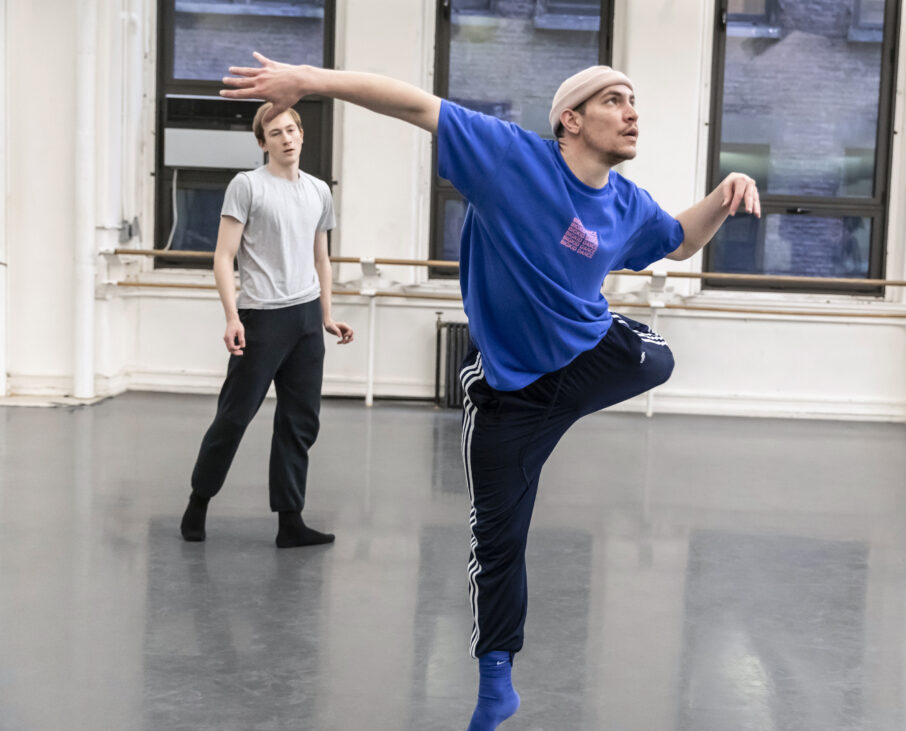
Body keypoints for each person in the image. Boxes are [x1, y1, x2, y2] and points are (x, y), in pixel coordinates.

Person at [221, 53, 759, 729]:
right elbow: (416, 103)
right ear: (571, 119)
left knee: (656, 358)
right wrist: (311, 81)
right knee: (496, 543)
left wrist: (724, 192)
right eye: (614, 100)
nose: (632, 112)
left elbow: (679, 242)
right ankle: (496, 681)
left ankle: (562, 388)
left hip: (583, 358)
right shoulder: (512, 160)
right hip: (509, 399)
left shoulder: (625, 205)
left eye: (634, 100)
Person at [180, 101, 354, 549]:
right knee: (234, 416)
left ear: (302, 134)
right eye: (276, 133)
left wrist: (326, 315)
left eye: (292, 129)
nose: (287, 138)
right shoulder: (247, 187)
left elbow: (321, 258)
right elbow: (223, 256)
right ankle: (198, 501)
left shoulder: (318, 191)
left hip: (305, 319)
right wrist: (232, 316)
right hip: (261, 319)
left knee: (299, 422)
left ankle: (290, 521)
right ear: (262, 142)